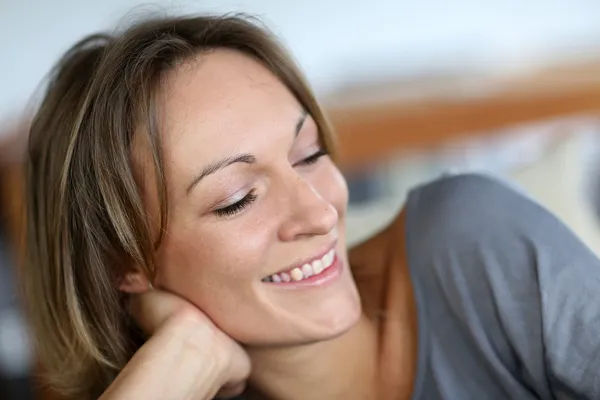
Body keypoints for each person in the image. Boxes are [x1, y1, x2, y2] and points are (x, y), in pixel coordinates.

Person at [22, 13, 600, 400]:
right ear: (126, 262)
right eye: (238, 198)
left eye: (308, 154)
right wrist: (178, 363)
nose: (321, 212)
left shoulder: (472, 240)